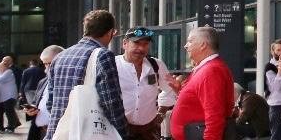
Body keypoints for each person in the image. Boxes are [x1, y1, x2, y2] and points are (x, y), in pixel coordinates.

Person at [45, 9, 127, 140]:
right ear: (110, 32)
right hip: (88, 132)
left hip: (58, 132)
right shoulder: (103, 55)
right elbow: (111, 102)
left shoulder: (59, 57)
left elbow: (50, 102)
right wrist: (123, 132)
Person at [170, 26, 234, 140]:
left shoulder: (211, 70)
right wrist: (180, 91)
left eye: (190, 41)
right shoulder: (205, 68)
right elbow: (198, 103)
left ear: (203, 45)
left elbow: (215, 114)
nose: (186, 46)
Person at [115, 26, 178, 140]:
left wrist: (161, 112)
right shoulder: (113, 65)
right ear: (125, 43)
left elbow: (170, 89)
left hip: (148, 131)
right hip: (118, 131)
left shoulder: (156, 65)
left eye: (145, 44)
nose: (141, 48)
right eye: (136, 43)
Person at [23, 44, 64, 140]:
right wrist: (30, 111)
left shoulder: (67, 82)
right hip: (40, 132)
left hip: (58, 133)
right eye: (45, 64)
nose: (48, 67)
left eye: (51, 63)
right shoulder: (43, 81)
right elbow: (35, 102)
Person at [0, 54, 22, 133]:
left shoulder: (9, 71)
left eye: (1, 66)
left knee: (9, 111)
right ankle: (1, 127)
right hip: (3, 97)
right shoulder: (1, 73)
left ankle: (11, 127)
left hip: (9, 95)